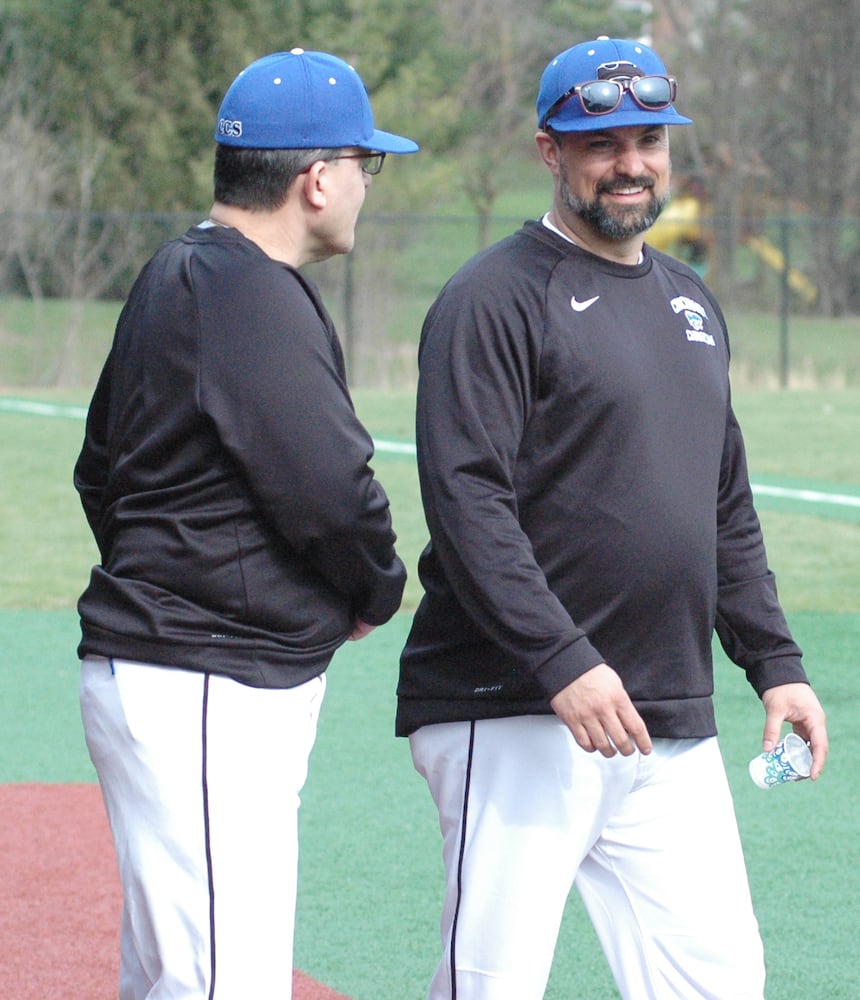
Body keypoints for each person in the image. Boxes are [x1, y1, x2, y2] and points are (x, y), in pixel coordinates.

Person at [396, 36, 828, 1000]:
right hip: (512, 708)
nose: (631, 164)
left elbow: (723, 504)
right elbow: (467, 504)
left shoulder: (691, 302)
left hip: (666, 716)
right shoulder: (493, 299)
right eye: (602, 143)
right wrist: (563, 661)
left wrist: (776, 664)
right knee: (490, 984)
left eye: (649, 139)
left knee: (721, 981)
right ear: (550, 151)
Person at [74, 48, 417, 999]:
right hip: (205, 680)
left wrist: (160, 570)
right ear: (316, 180)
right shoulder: (251, 292)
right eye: (364, 163)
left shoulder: (176, 269)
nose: (364, 185)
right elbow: (333, 493)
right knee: (225, 982)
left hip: (170, 670)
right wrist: (374, 591)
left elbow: (98, 470)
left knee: (173, 977)